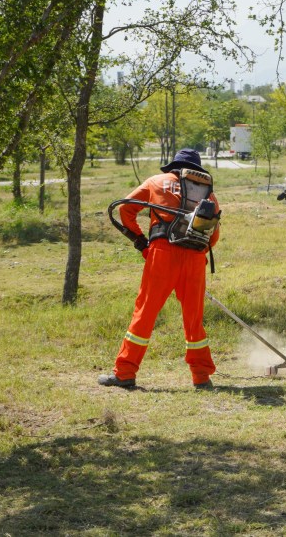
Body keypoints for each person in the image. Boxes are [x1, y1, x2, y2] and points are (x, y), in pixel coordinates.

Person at [99, 149, 221, 390]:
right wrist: (196, 254)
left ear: (174, 165)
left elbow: (125, 209)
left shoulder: (156, 181)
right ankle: (201, 377)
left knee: (145, 313)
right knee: (194, 321)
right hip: (196, 259)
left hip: (162, 256)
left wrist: (142, 242)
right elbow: (213, 236)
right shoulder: (209, 195)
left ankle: (124, 373)